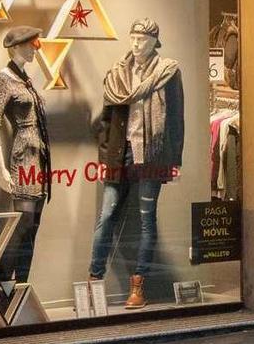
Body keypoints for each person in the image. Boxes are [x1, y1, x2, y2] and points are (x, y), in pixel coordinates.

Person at [88, 18, 184, 309]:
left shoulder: (168, 72)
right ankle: (93, 282)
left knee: (146, 220)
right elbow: (106, 120)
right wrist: (105, 158)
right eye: (133, 38)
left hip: (151, 155)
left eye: (142, 39)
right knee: (107, 216)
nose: (136, 44)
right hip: (121, 153)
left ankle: (138, 286)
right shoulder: (117, 73)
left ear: (155, 41)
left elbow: (177, 119)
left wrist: (174, 159)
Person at [0, 26, 51, 285]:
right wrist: (1, 169)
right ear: (14, 47)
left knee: (32, 230)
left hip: (40, 158)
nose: (33, 49)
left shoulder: (26, 80)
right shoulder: (3, 79)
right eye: (28, 44)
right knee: (21, 227)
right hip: (23, 156)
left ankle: (20, 291)